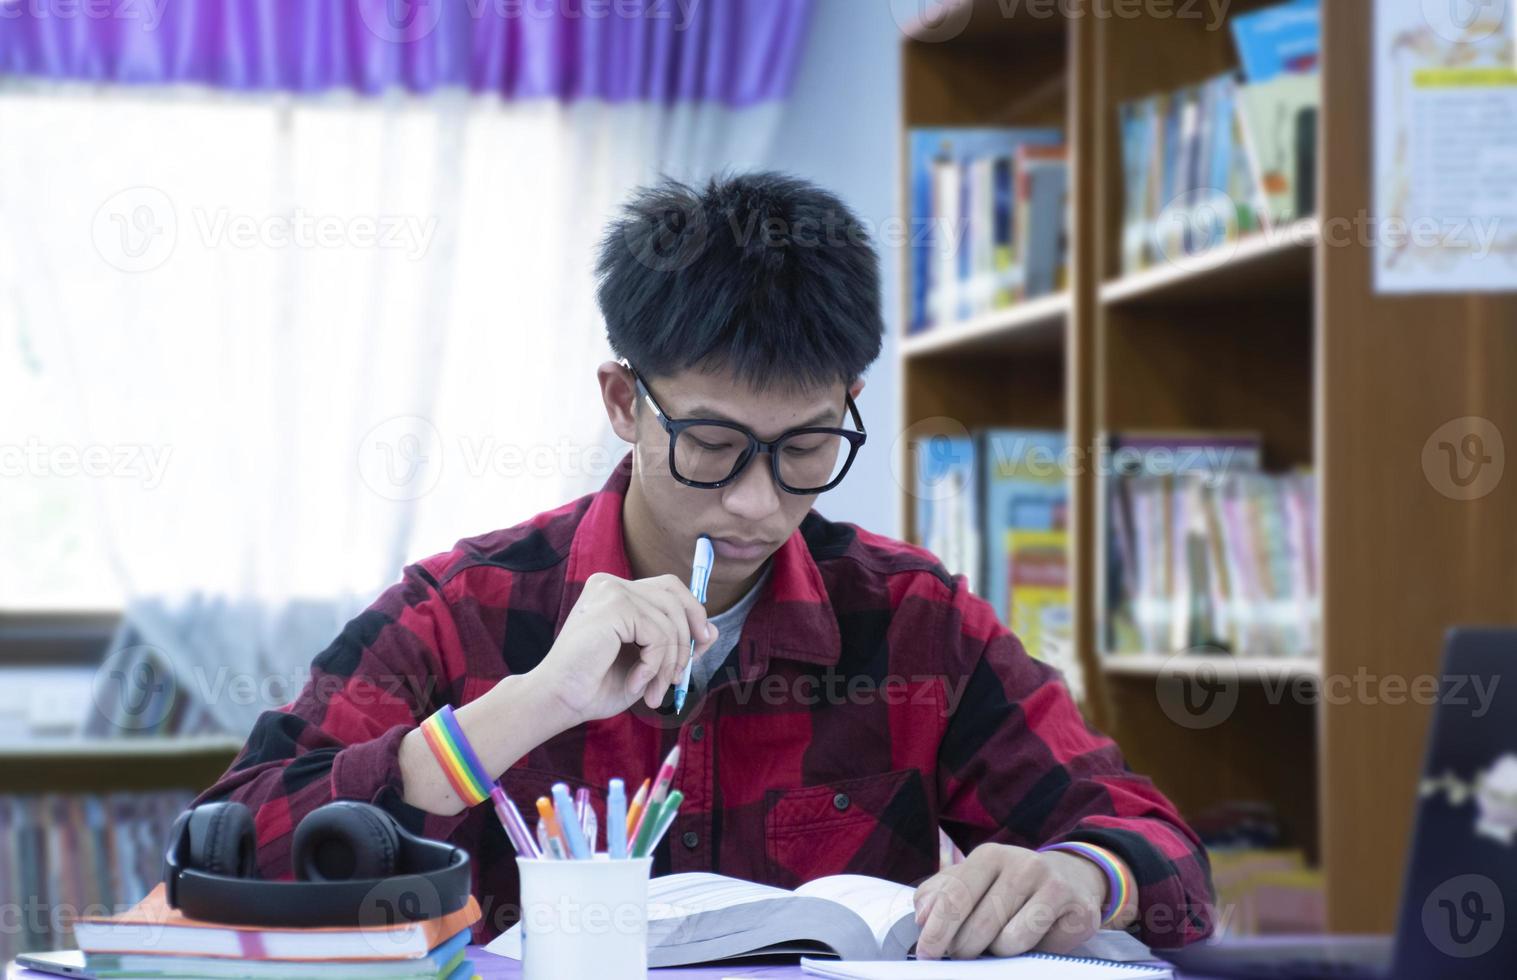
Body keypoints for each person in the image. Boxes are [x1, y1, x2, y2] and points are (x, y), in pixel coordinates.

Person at [193, 172, 1214, 960]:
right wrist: (528, 706)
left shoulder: (911, 620)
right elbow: (234, 850)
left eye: (807, 446)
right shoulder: (465, 608)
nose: (757, 501)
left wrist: (1083, 875)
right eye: (713, 443)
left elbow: (1162, 854)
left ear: (850, 398)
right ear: (622, 400)